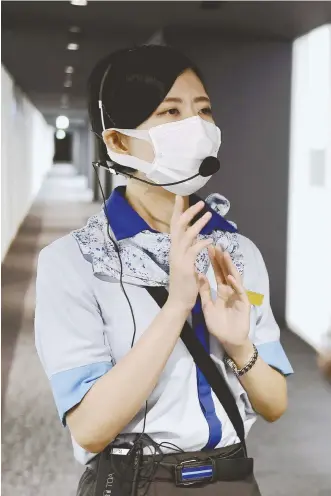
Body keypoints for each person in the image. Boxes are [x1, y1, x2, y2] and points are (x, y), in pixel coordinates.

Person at [35, 45, 293, 496]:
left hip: (232, 479)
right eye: (170, 112)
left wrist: (238, 343)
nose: (196, 127)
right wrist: (177, 306)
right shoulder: (72, 263)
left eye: (204, 110)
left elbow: (274, 405)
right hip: (136, 481)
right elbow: (90, 429)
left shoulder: (239, 251)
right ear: (117, 141)